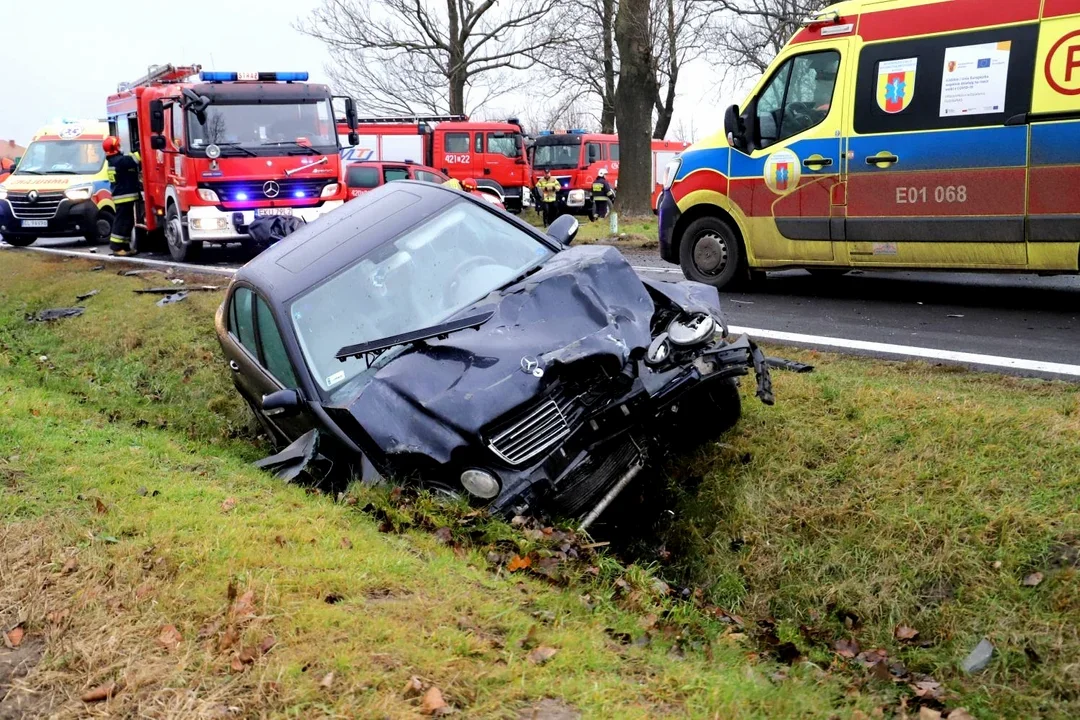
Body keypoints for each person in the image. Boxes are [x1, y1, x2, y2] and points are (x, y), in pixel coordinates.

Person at [102, 136, 141, 256]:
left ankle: (124, 246)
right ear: (115, 147)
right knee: (122, 222)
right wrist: (140, 147)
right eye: (118, 145)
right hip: (124, 196)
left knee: (127, 222)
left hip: (123, 196)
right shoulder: (118, 161)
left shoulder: (114, 161)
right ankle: (116, 247)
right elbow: (134, 160)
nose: (120, 147)